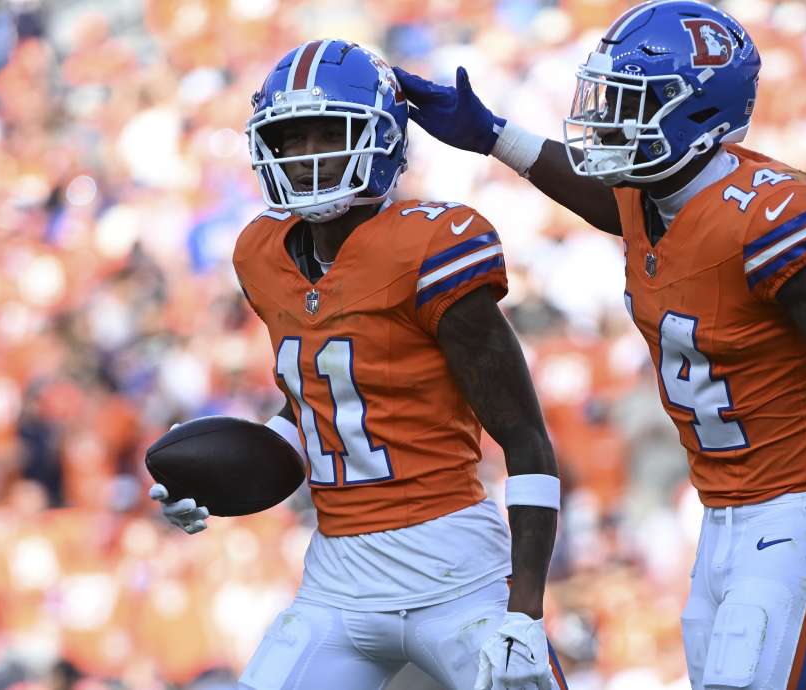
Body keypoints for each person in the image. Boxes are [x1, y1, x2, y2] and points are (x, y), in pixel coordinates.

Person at [394, 1, 806, 688]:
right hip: (721, 516)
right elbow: (606, 201)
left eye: (631, 105)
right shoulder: (649, 198)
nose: (606, 121)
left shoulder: (768, 219)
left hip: (803, 505)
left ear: (697, 114)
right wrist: (492, 135)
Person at [148, 39, 567, 690]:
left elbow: (526, 438)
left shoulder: (432, 245)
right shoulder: (261, 251)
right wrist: (217, 476)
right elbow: (319, 402)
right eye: (292, 137)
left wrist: (526, 613)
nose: (307, 154)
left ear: (381, 139)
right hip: (338, 577)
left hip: (455, 567)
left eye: (329, 134)